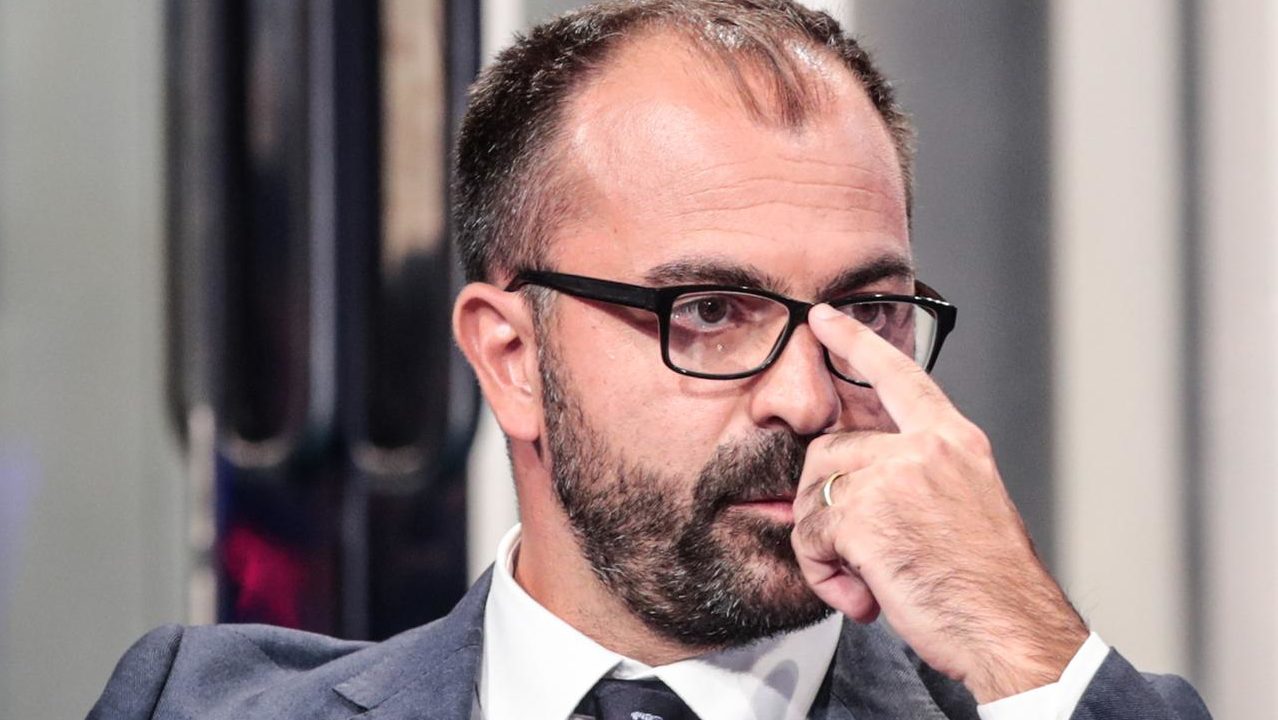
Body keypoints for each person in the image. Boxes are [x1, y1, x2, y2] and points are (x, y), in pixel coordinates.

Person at [89, 1, 1212, 718]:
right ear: (512, 357)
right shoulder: (196, 703)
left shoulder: (1040, 699)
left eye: (866, 310)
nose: (807, 396)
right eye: (712, 311)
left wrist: (1016, 636)